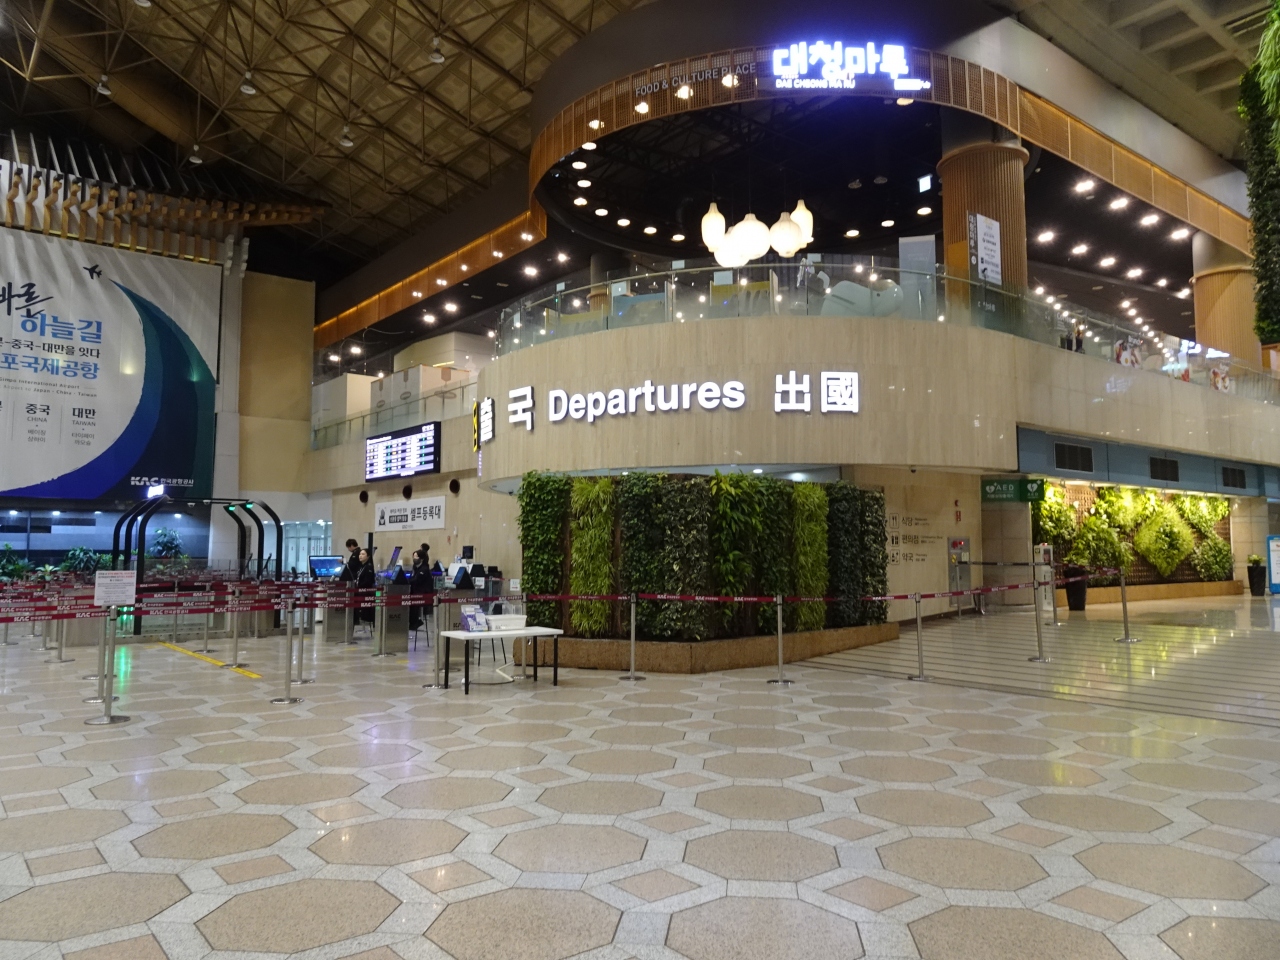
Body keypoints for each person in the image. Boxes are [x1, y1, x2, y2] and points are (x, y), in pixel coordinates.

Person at [355, 548, 376, 632]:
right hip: (359, 591)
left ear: (368, 556)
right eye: (360, 554)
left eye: (363, 554)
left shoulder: (369, 567)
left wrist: (359, 587)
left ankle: (368, 626)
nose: (360, 556)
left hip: (366, 592)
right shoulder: (361, 567)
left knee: (366, 610)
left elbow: (368, 581)